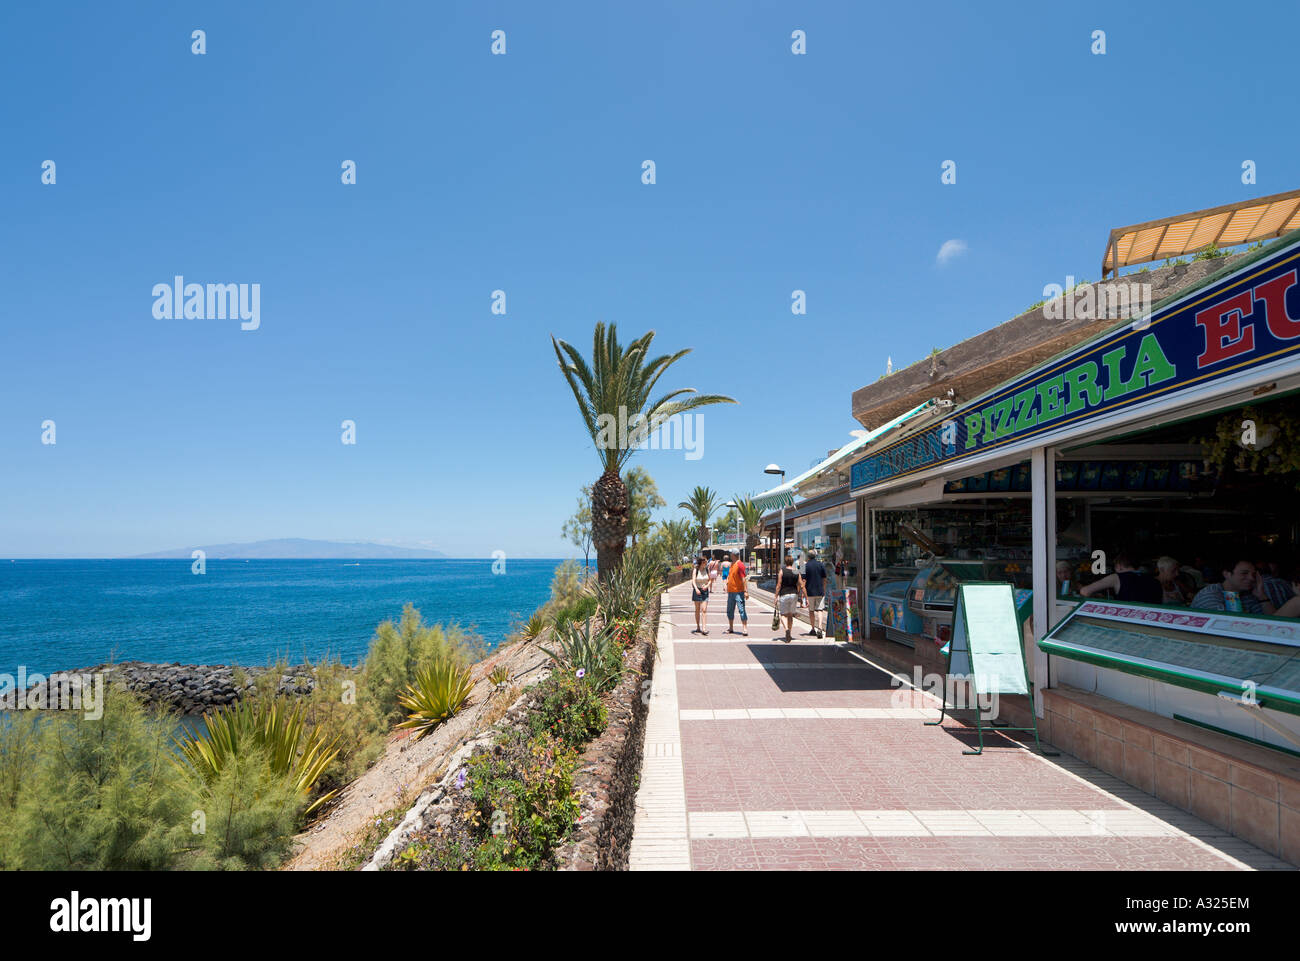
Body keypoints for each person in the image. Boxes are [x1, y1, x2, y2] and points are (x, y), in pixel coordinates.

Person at [1190, 558, 1275, 614]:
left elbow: (1272, 622)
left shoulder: (1247, 594)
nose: (1251, 578)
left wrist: (1262, 596)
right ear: (1227, 574)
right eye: (1244, 573)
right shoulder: (1211, 595)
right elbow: (1227, 628)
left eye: (1253, 574)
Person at [1079, 552, 1162, 603]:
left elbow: (1085, 591)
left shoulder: (1117, 577)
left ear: (1119, 566)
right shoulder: (1155, 580)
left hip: (1127, 621)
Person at [774, 554, 803, 643]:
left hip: (784, 594)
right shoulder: (797, 571)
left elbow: (779, 585)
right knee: (791, 615)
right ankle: (789, 632)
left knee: (783, 615)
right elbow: (800, 584)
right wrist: (800, 595)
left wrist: (776, 596)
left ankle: (786, 630)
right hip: (794, 594)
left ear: (785, 562)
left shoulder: (782, 571)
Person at [801, 548, 828, 638]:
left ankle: (813, 629)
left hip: (810, 592)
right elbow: (824, 579)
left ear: (808, 557)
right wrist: (824, 589)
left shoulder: (805, 566)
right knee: (820, 610)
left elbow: (803, 580)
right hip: (820, 591)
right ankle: (820, 628)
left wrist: (803, 593)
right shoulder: (821, 565)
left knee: (811, 611)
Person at [724, 551, 748, 636]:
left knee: (741, 609)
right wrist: (727, 581)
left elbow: (743, 579)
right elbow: (730, 575)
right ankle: (731, 628)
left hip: (738, 592)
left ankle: (745, 628)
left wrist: (745, 591)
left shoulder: (740, 564)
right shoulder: (732, 564)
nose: (730, 555)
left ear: (734, 555)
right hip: (731, 592)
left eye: (731, 554)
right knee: (730, 610)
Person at [690, 556, 711, 635]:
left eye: (706, 562)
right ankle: (698, 626)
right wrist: (696, 589)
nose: (706, 563)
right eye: (704, 562)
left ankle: (704, 628)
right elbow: (693, 581)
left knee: (704, 610)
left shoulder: (707, 569)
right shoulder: (696, 570)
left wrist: (707, 586)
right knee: (697, 610)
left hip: (705, 591)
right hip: (697, 591)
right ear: (701, 562)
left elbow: (710, 580)